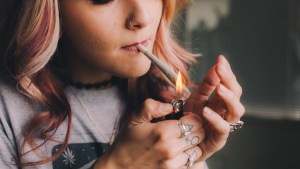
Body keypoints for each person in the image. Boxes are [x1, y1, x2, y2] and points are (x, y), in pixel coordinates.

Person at [0, 0, 245, 168]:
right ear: (53, 11)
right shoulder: (7, 111)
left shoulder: (165, 100)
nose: (143, 17)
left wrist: (194, 154)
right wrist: (117, 165)